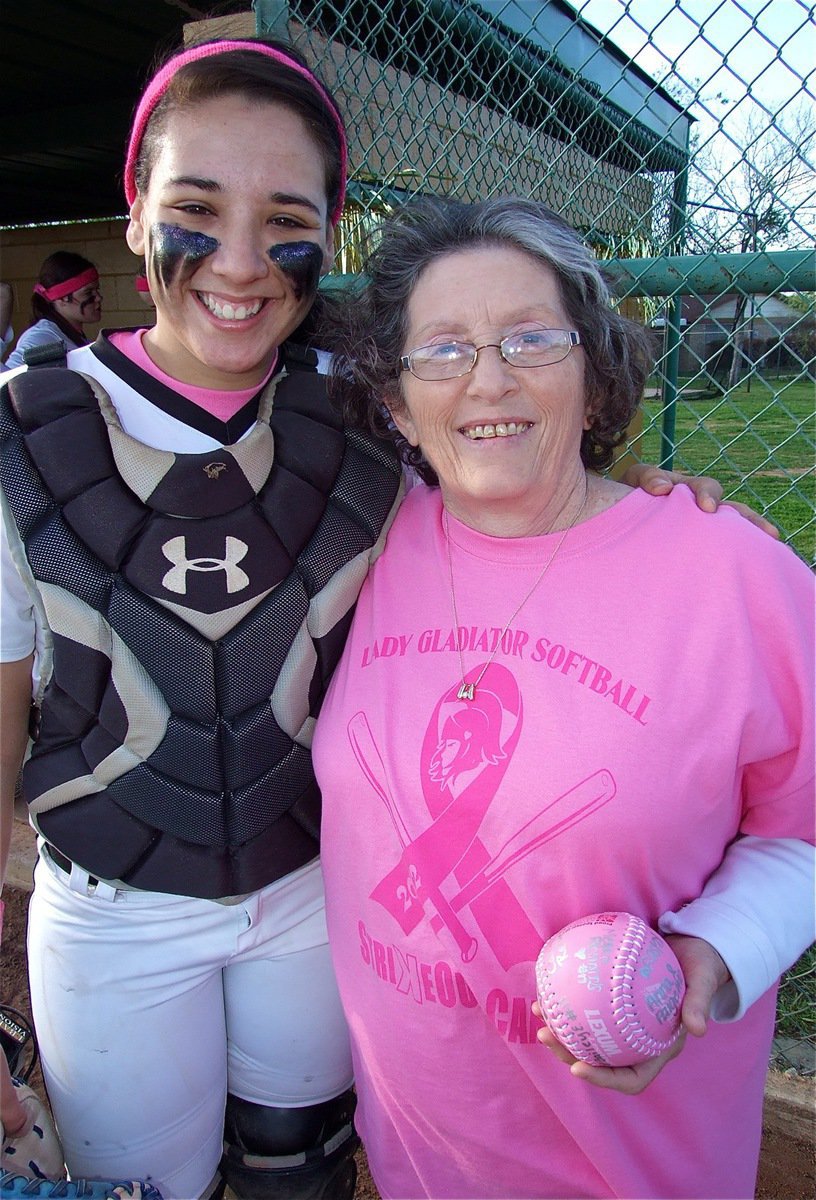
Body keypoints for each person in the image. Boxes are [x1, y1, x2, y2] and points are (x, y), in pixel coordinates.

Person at [0, 34, 798, 1200]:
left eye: (288, 218)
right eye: (195, 209)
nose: (241, 260)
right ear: (133, 215)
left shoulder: (363, 442)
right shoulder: (34, 432)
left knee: (301, 1174)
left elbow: (525, 458)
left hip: (306, 897)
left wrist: (672, 518)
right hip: (116, 896)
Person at [313, 196, 815, 1200]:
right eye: (443, 349)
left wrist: (712, 958)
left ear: (594, 383)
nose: (488, 378)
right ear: (401, 406)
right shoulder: (363, 545)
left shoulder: (731, 578)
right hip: (417, 1153)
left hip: (628, 1162)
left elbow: (804, 834)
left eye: (531, 340)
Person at [4, 253, 102, 369]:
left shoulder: (67, 333)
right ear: (62, 298)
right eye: (88, 292)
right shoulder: (42, 336)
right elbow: (7, 378)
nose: (98, 298)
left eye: (97, 290)